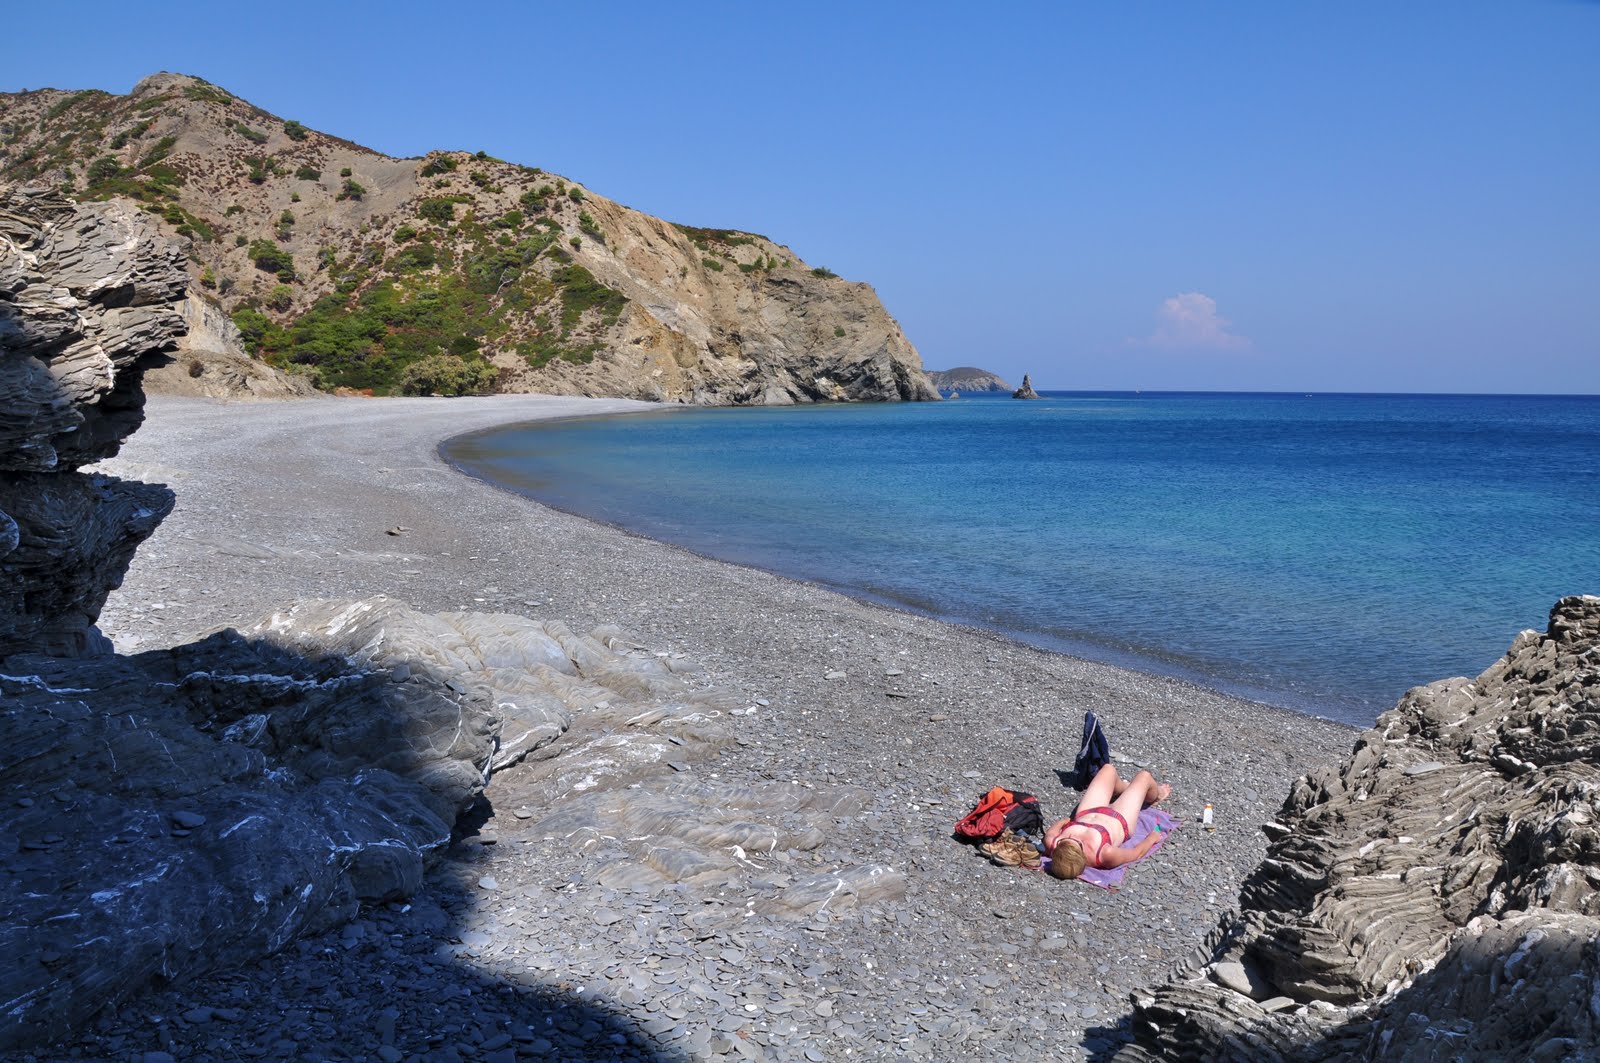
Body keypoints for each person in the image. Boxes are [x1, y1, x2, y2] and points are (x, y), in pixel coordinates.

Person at [1043, 763, 1172, 880]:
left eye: (1066, 840)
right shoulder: (1105, 854)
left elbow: (1053, 831)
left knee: (1108, 769)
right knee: (1145, 777)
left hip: (1088, 811)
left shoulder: (1052, 843)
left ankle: (1123, 788)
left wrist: (1064, 822)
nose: (1071, 837)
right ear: (1082, 856)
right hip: (1120, 819)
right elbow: (1135, 853)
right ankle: (1157, 794)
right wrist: (1151, 839)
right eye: (1077, 842)